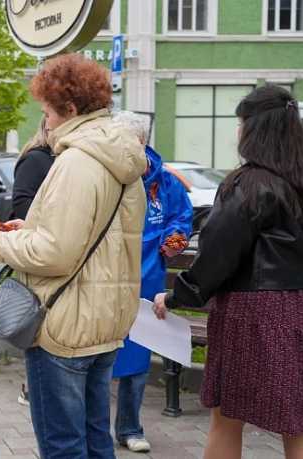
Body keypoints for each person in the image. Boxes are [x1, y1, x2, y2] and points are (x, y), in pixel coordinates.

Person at [0, 53, 147, 459]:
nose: (46, 123)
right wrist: (30, 228)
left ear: (70, 109)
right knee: (96, 440)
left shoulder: (76, 161)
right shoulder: (121, 159)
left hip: (65, 325)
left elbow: (55, 254)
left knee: (63, 447)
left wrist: (0, 244)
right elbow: (95, 238)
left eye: (48, 113)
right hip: (104, 321)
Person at [153, 84, 303, 459]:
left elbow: (217, 254)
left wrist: (176, 296)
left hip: (252, 312)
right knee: (297, 422)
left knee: (227, 417)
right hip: (298, 307)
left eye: (240, 123)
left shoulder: (248, 184)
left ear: (254, 129)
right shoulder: (298, 181)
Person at [110, 111, 193, 453]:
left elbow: (181, 220)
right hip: (106, 283)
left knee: (137, 359)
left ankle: (130, 428)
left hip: (147, 283)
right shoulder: (105, 175)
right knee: (96, 357)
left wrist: (172, 244)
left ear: (143, 143)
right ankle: (92, 430)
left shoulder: (166, 182)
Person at [10, 117, 54, 407]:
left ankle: (38, 383)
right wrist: (50, 224)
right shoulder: (36, 159)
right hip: (37, 252)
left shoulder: (66, 159)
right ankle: (32, 384)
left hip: (53, 251)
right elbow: (21, 203)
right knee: (39, 321)